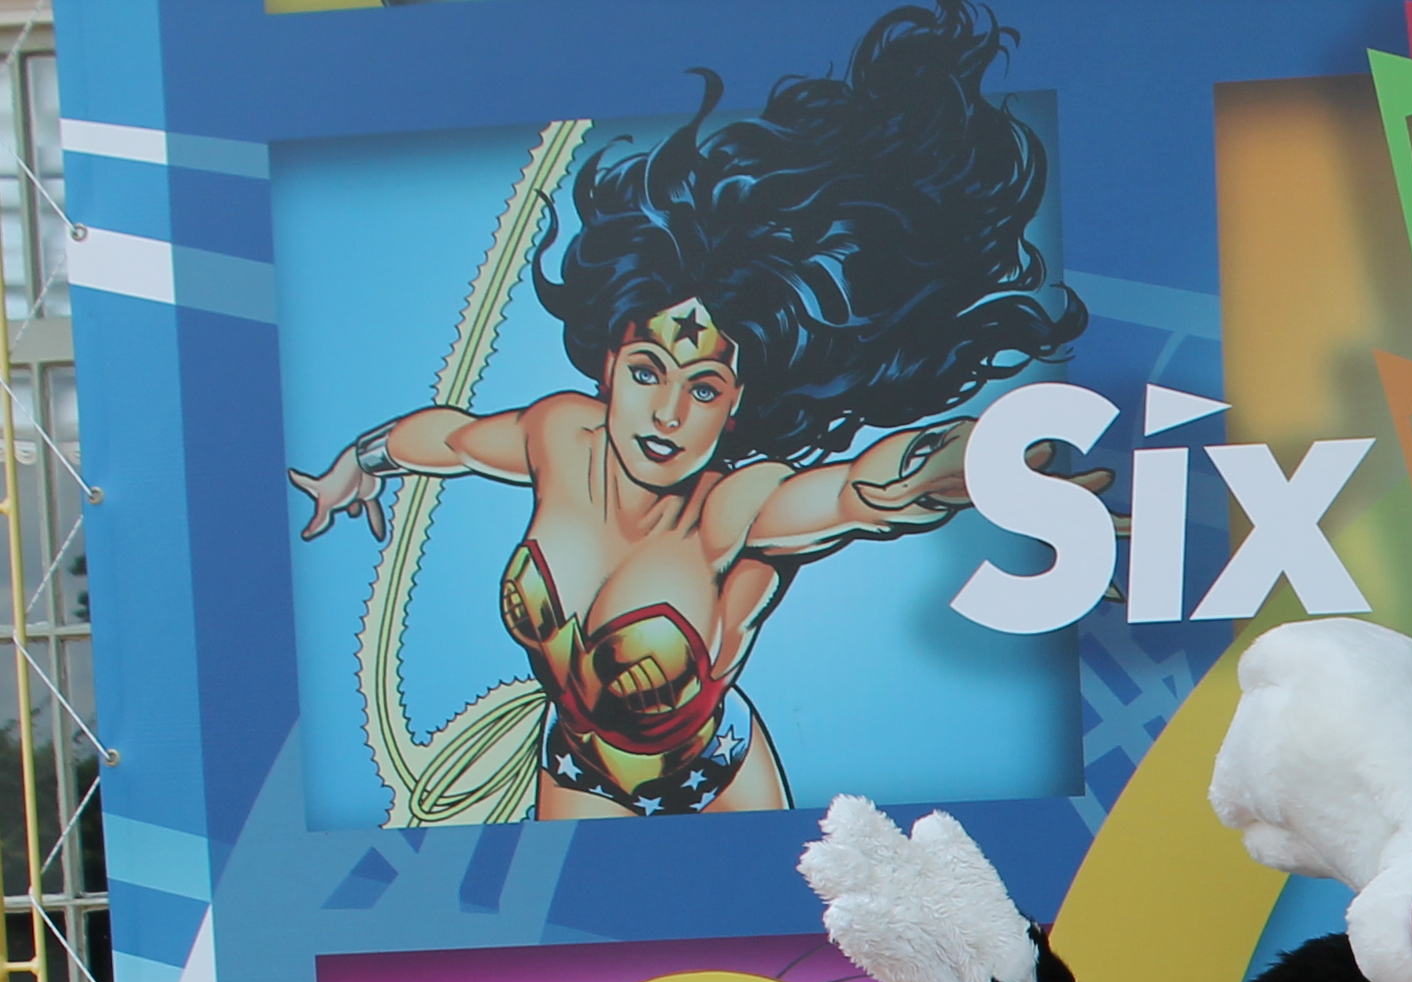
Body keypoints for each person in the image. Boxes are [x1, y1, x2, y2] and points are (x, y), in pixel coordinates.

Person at [289, 1, 1089, 820]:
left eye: (704, 388)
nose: (668, 412)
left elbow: (860, 492)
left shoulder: (734, 510)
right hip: (574, 770)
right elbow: (452, 440)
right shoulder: (559, 435)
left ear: (736, 407)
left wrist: (981, 466)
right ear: (608, 363)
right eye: (647, 371)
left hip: (717, 782)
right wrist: (360, 461)